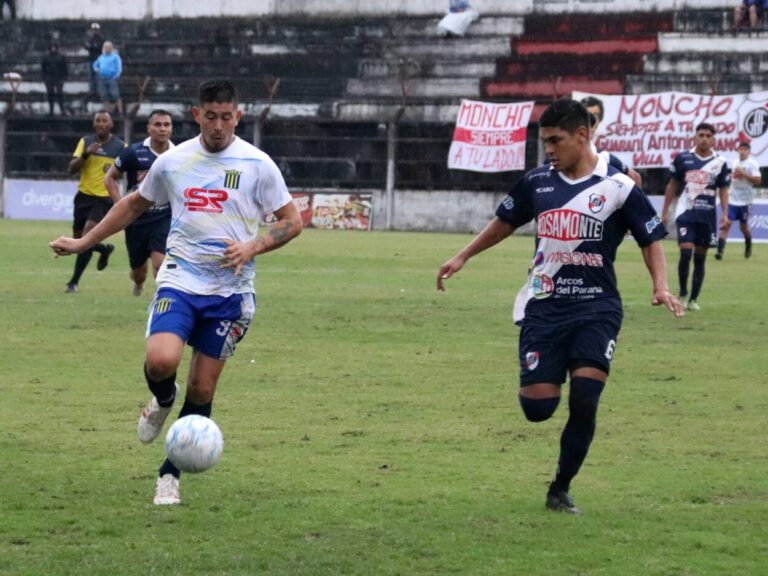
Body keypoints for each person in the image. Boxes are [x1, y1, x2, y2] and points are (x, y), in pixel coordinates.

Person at [50, 79, 303, 505]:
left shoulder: (258, 164)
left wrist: (253, 245)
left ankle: (170, 473)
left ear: (237, 117)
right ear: (197, 114)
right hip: (181, 278)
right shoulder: (175, 161)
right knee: (161, 358)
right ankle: (163, 398)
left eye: (227, 117)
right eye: (211, 116)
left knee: (203, 390)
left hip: (231, 293)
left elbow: (292, 221)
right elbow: (132, 204)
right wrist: (83, 242)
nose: (219, 125)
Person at [437, 98, 683, 515]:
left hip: (597, 307)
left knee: (585, 398)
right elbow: (505, 222)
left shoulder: (620, 186)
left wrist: (660, 286)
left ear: (583, 135)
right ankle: (549, 375)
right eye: (544, 141)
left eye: (556, 140)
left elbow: (650, 240)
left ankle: (560, 488)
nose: (549, 149)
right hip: (544, 306)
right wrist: (463, 256)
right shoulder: (537, 182)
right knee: (538, 409)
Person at [104, 109, 175, 296]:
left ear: (171, 129)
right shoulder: (134, 152)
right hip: (136, 218)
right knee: (139, 273)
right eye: (157, 124)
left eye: (166, 125)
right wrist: (120, 205)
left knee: (160, 265)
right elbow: (110, 177)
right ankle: (138, 283)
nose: (162, 129)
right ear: (149, 128)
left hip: (163, 217)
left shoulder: (179, 155)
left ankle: (163, 302)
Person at [661, 123, 730, 311]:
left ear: (714, 139)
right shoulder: (683, 158)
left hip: (707, 217)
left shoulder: (720, 162)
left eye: (708, 135)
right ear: (695, 137)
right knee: (685, 251)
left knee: (700, 258)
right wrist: (664, 212)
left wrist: (725, 213)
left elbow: (723, 189)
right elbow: (672, 186)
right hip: (686, 214)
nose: (704, 138)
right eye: (701, 135)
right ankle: (683, 293)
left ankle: (693, 298)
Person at [63, 110, 125, 293]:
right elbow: (71, 170)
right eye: (98, 120)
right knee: (78, 241)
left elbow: (123, 172)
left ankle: (73, 282)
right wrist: (85, 155)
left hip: (103, 198)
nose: (101, 124)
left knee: (87, 235)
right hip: (83, 197)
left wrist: (115, 171)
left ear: (111, 124)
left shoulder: (120, 146)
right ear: (94, 124)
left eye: (105, 120)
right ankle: (104, 249)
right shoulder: (86, 142)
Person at [580, 95, 643, 187]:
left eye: (594, 116)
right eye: (586, 115)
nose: (590, 120)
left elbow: (635, 177)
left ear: (600, 120)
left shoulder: (604, 156)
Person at [716, 139, 761, 259]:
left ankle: (748, 246)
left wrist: (744, 174)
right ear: (738, 150)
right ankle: (720, 251)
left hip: (746, 201)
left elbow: (758, 180)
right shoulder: (735, 162)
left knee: (743, 227)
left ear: (749, 152)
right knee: (727, 223)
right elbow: (734, 177)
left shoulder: (753, 164)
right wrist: (731, 176)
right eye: (741, 149)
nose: (742, 151)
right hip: (733, 198)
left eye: (745, 149)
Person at [92, 40, 123, 115]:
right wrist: (97, 69)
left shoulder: (115, 57)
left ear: (111, 48)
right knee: (103, 95)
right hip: (102, 78)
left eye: (108, 47)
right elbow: (95, 64)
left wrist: (115, 76)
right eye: (105, 47)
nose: (106, 49)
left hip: (111, 78)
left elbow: (119, 67)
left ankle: (120, 111)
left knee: (115, 95)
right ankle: (108, 111)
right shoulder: (101, 57)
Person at [41, 43, 68, 116]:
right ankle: (51, 110)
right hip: (49, 77)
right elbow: (43, 68)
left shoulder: (61, 57)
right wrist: (44, 77)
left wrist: (64, 77)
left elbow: (64, 68)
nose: (53, 49)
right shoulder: (46, 57)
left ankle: (62, 110)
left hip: (59, 77)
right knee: (50, 94)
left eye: (54, 47)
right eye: (52, 47)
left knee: (60, 94)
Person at [84, 23, 104, 101]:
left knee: (98, 77)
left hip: (98, 60)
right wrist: (91, 47)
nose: (95, 31)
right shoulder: (90, 39)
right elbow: (86, 46)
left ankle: (99, 92)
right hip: (91, 59)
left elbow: (97, 47)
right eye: (93, 30)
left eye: (96, 30)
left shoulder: (101, 39)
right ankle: (92, 91)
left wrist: (91, 47)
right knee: (91, 77)